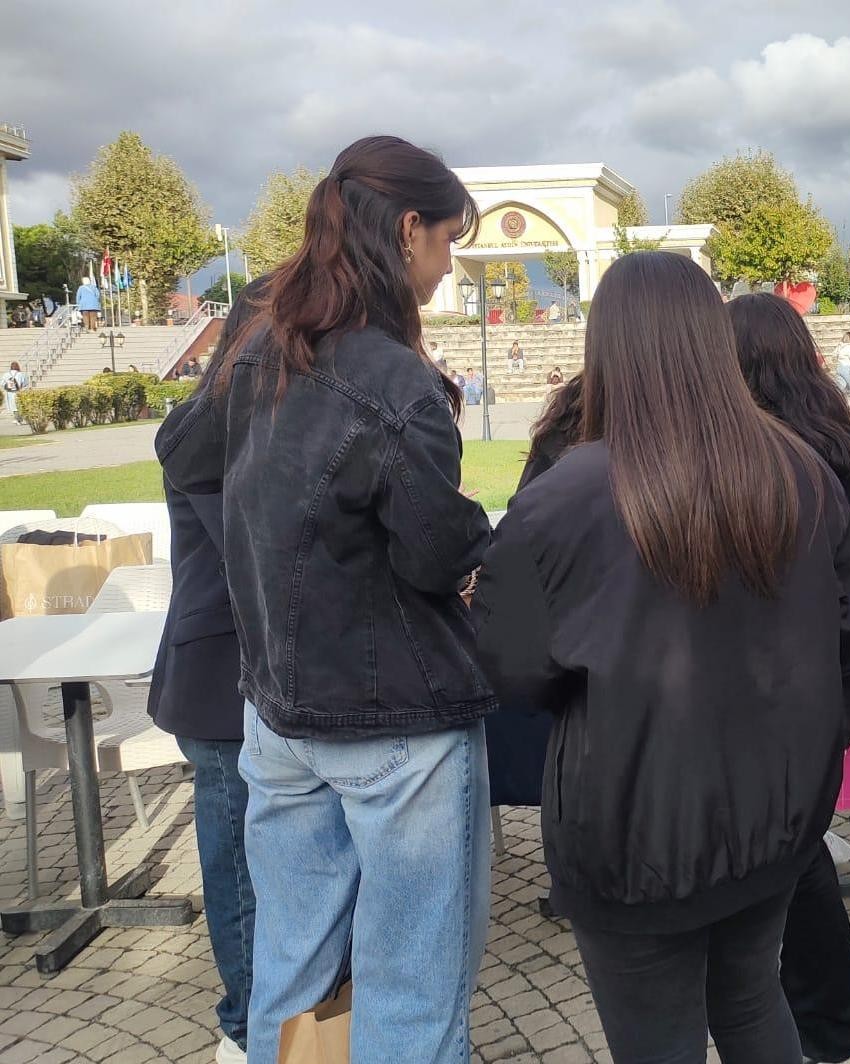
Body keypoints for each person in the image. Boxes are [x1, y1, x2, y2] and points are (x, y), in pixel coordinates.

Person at [471, 252, 850, 1064]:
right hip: (764, 812)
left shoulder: (564, 496)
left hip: (644, 829)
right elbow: (849, 645)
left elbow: (511, 668)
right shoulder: (800, 469)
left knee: (696, 1024)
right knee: (752, 1002)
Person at [157, 135, 495, 1064]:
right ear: (409, 229)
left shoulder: (268, 346)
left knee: (292, 968)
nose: (448, 263)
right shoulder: (389, 379)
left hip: (284, 714)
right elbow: (433, 551)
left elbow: (183, 454)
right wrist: (482, 543)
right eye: (448, 241)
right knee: (408, 990)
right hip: (389, 721)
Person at [727, 293, 850, 1064]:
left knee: (789, 848)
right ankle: (823, 1015)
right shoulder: (832, 440)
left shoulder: (782, 457)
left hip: (809, 668)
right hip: (842, 664)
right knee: (796, 839)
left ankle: (819, 1015)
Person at [150, 284, 271, 1064]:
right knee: (237, 866)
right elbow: (251, 551)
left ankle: (275, 1014)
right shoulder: (203, 433)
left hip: (259, 671)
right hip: (218, 676)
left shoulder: (251, 422)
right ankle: (243, 1025)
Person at [832, 331, 850, 398]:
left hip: (839, 367)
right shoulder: (849, 348)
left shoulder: (839, 346)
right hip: (847, 367)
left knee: (841, 385)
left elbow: (834, 354)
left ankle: (834, 398)